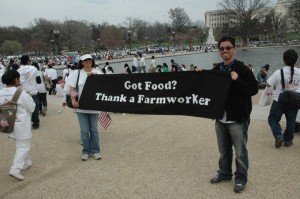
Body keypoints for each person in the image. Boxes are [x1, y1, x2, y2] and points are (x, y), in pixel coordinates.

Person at [208, 36, 258, 193]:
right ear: (219, 51)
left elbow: (253, 89)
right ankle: (224, 173)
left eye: (228, 48)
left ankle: (241, 178)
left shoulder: (243, 70)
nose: (225, 51)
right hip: (220, 117)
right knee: (224, 150)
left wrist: (237, 80)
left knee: (240, 151)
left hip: (237, 118)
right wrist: (200, 75)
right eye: (222, 48)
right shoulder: (216, 71)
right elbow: (207, 88)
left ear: (234, 49)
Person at [64, 54, 102, 161]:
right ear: (81, 62)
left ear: (92, 61)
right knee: (85, 131)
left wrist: (95, 79)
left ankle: (96, 150)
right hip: (81, 107)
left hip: (94, 106)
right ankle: (85, 151)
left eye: (90, 59)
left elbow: (104, 88)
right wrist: (73, 100)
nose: (88, 61)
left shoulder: (98, 72)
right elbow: (72, 88)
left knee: (94, 129)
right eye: (85, 60)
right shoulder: (76, 73)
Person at [0, 70, 35, 180]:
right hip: (21, 124)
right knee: (24, 145)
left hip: (6, 122)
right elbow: (32, 108)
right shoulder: (20, 93)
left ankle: (27, 162)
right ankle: (15, 169)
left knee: (19, 144)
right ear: (16, 79)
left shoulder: (0, 92)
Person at [266, 49, 300, 148]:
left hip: (279, 100)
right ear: (296, 60)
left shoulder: (278, 72)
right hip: (295, 101)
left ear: (284, 60)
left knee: (272, 119)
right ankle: (288, 141)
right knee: (291, 121)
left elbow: (268, 84)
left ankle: (278, 135)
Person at [17, 55, 41, 129]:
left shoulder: (18, 70)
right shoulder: (34, 68)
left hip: (23, 92)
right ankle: (35, 123)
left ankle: (25, 123)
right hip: (33, 91)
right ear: (28, 61)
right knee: (35, 107)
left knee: (23, 108)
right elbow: (39, 81)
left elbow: (18, 82)